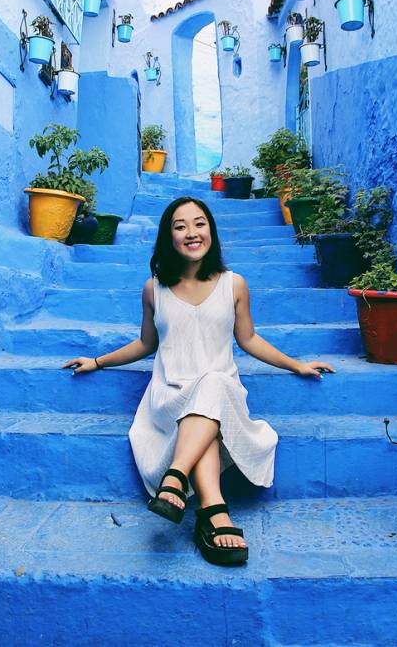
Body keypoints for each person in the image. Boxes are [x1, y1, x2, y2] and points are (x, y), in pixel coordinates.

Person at [63, 196, 335, 566]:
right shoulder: (153, 289)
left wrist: (296, 365)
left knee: (212, 385)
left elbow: (249, 339)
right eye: (180, 226)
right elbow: (146, 343)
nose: (191, 232)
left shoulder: (234, 284)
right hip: (169, 399)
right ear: (168, 237)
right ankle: (214, 512)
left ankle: (177, 479)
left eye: (199, 223)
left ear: (211, 230)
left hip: (219, 395)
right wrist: (97, 361)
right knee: (207, 397)